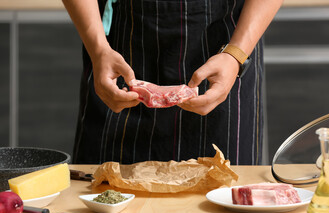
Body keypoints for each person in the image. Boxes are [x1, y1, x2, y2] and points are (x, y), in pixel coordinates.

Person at [62, 0, 283, 165]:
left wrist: (235, 55)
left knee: (226, 207)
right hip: (120, 50)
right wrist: (98, 49)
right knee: (104, 202)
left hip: (226, 48)